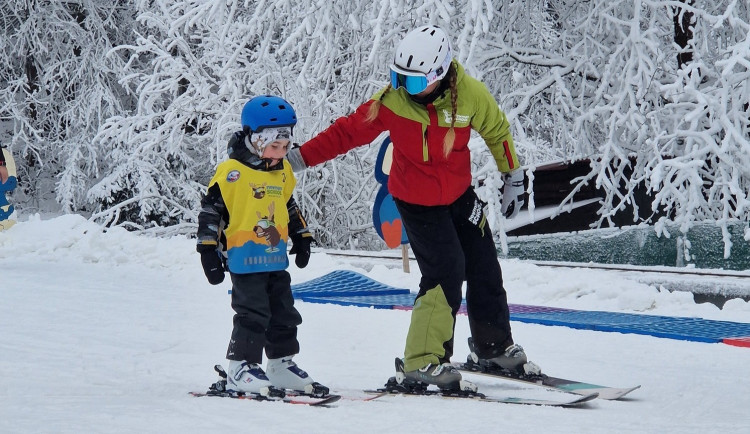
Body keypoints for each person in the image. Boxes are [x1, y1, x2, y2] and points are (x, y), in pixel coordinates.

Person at [287, 25, 538, 391]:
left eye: (414, 83)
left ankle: (493, 347)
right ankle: (421, 361)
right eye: (397, 77)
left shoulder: (470, 96)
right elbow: (346, 133)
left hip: (458, 196)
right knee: (445, 270)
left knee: (483, 262)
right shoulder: (392, 102)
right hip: (417, 202)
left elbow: (497, 131)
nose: (404, 88)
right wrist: (298, 159)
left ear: (439, 74)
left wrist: (513, 175)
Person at [196, 95, 325, 397]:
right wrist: (207, 248)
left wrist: (302, 235)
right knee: (252, 313)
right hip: (245, 258)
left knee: (284, 312)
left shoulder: (281, 172)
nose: (280, 153)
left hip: (274, 258)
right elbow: (211, 210)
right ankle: (241, 367)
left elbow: (288, 206)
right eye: (273, 146)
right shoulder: (232, 173)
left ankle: (280, 364)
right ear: (255, 140)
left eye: (285, 147)